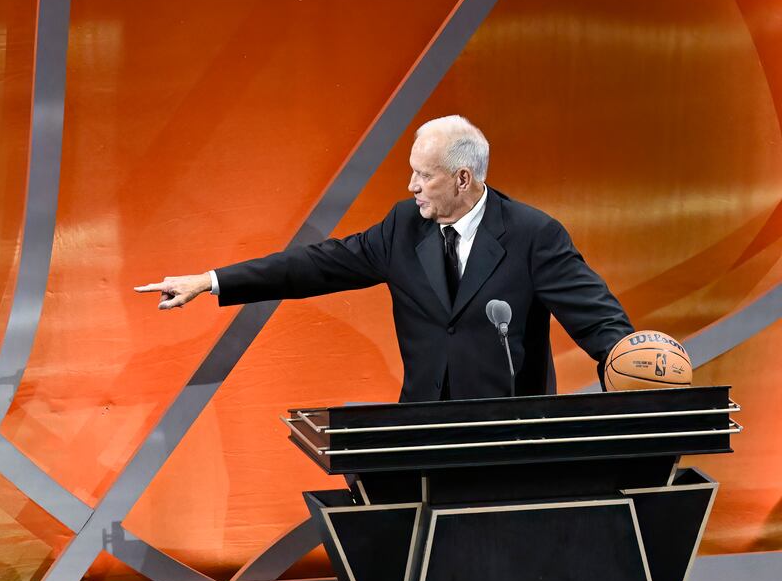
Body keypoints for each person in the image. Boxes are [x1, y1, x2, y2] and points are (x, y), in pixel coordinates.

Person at [136, 115, 634, 400]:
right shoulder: (404, 226)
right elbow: (319, 264)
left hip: (509, 436)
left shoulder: (532, 234)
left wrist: (634, 365)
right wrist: (211, 280)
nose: (411, 186)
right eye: (411, 172)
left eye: (425, 176)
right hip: (422, 431)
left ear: (463, 178)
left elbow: (597, 320)